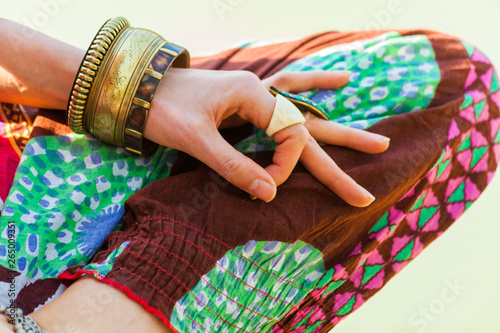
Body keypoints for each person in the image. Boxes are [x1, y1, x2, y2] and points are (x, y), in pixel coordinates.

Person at [0, 16, 498, 332]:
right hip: (57, 278)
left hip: (57, 171)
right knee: (452, 93)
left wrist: (137, 91)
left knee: (426, 82)